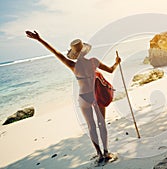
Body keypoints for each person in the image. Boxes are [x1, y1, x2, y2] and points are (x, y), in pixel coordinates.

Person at [26, 30, 121, 164]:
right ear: (85, 51)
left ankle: (99, 155)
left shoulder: (72, 65)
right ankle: (106, 152)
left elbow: (56, 53)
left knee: (91, 126)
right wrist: (117, 62)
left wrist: (39, 39)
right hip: (96, 96)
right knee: (101, 124)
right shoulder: (94, 62)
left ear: (75, 54)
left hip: (84, 98)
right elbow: (111, 70)